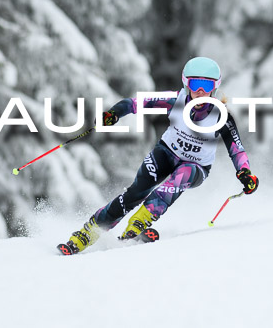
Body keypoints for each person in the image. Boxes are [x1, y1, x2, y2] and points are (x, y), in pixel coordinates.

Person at [57, 57, 258, 255]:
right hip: (166, 154)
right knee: (134, 194)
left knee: (183, 173)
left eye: (207, 85)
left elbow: (236, 149)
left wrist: (245, 173)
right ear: (186, 83)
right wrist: (114, 114)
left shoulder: (221, 116)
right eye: (195, 84)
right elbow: (134, 103)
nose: (200, 91)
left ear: (215, 87)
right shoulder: (175, 101)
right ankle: (87, 234)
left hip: (196, 167)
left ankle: (139, 223)